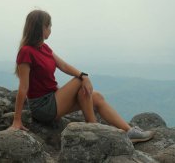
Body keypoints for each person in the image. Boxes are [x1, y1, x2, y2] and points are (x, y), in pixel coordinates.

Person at [9, 9, 154, 143]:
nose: (50, 29)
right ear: (41, 28)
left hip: (54, 99)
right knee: (79, 81)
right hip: (43, 107)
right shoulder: (26, 52)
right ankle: (94, 128)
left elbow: (64, 66)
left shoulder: (44, 48)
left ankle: (129, 131)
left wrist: (84, 76)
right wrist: (17, 120)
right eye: (49, 26)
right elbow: (23, 87)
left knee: (96, 97)